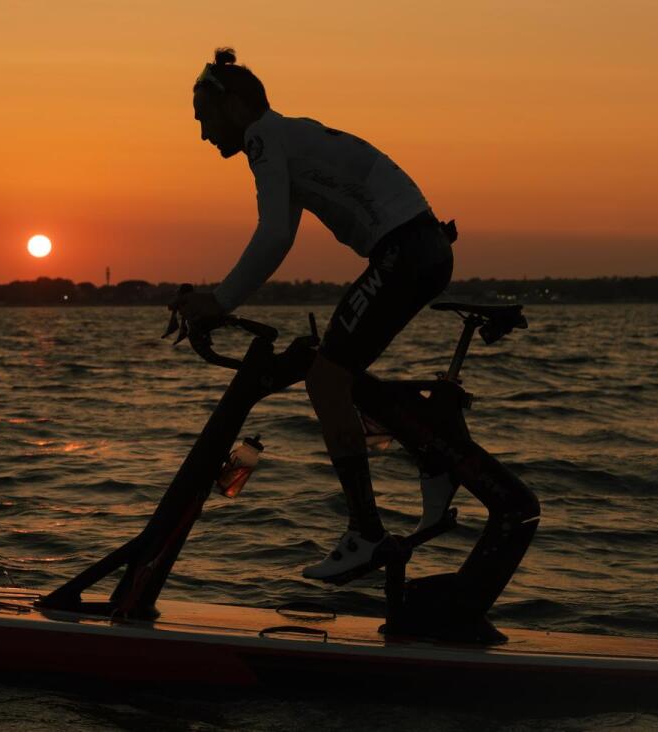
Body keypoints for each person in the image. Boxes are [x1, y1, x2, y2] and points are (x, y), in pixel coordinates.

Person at [173, 48, 458, 581]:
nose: (203, 135)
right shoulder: (285, 139)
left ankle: (367, 532)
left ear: (234, 106)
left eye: (204, 118)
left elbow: (274, 234)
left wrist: (219, 302)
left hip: (405, 250)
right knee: (331, 369)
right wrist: (222, 296)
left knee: (326, 381)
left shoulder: (263, 136)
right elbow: (281, 230)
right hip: (421, 247)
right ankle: (433, 445)